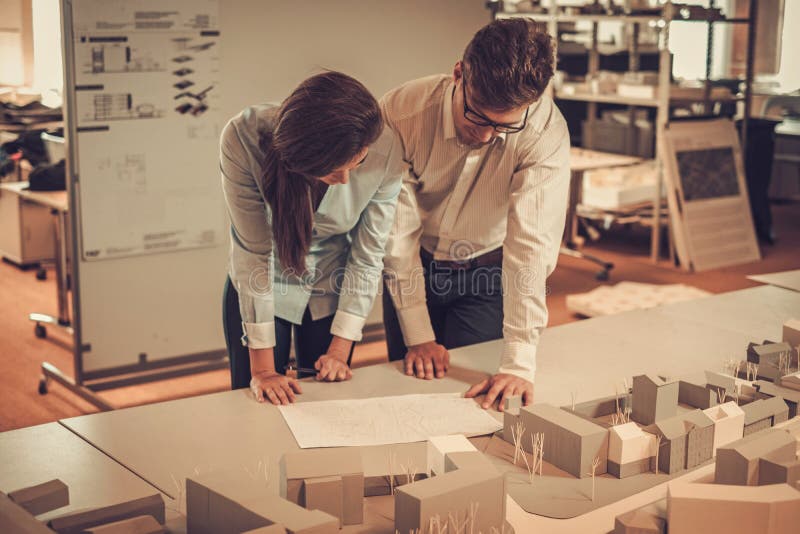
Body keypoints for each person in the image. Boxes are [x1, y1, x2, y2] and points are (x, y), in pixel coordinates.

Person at [381, 19, 570, 410]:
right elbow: (396, 231)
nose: (485, 136)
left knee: (471, 401)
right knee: (408, 394)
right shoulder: (401, 113)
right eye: (477, 116)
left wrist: (519, 362)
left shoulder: (544, 132)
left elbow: (531, 245)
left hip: (488, 275)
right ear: (458, 74)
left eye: (504, 126)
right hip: (413, 267)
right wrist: (418, 334)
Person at [221, 71, 402, 405]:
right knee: (257, 403)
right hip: (261, 281)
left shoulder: (386, 148)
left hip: (330, 282)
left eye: (357, 163)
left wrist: (340, 351)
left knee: (326, 401)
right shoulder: (242, 137)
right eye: (333, 169)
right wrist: (263, 372)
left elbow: (368, 255)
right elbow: (253, 253)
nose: (345, 181)